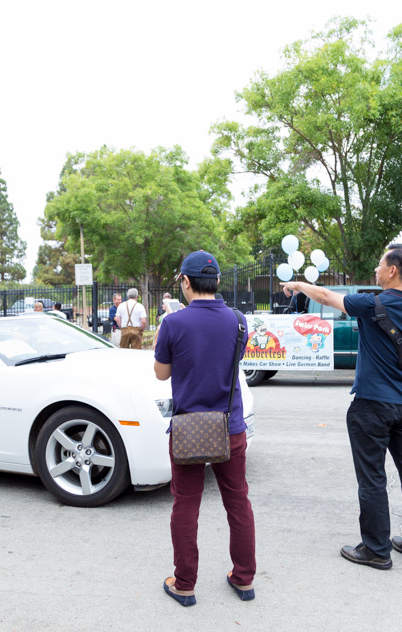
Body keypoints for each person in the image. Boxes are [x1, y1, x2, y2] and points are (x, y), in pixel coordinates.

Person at [281, 244, 402, 569]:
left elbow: (324, 296)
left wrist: (297, 285)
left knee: (372, 479)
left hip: (371, 407)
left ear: (393, 270)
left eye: (380, 264)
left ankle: (377, 550)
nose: (376, 271)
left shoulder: (371, 303)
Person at [153, 250, 255, 606]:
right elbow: (230, 361)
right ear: (216, 281)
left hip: (188, 429)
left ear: (185, 281)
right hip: (231, 427)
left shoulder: (173, 323)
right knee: (238, 501)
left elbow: (161, 373)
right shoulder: (239, 321)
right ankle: (243, 580)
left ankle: (185, 584)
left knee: (185, 505)